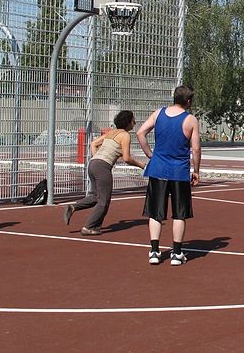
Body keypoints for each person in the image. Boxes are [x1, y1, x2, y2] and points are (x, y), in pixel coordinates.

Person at [137, 85, 201, 266]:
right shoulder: (190, 120)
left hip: (158, 169)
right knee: (179, 213)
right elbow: (196, 148)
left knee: (155, 212)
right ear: (188, 101)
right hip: (179, 172)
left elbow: (141, 132)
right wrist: (196, 170)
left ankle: (155, 251)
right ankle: (177, 253)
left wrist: (150, 153)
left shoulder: (158, 114)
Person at [63, 110, 143, 235]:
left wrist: (98, 159)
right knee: (103, 201)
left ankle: (73, 207)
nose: (135, 122)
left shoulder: (111, 133)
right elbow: (127, 158)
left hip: (93, 164)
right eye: (133, 120)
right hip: (102, 167)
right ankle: (89, 226)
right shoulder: (125, 135)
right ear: (128, 122)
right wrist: (140, 165)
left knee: (95, 196)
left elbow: (93, 144)